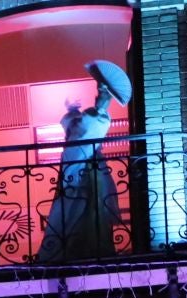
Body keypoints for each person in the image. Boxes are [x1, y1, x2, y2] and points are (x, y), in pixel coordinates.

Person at [37, 61, 129, 263]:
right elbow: (90, 127)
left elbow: (89, 127)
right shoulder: (75, 144)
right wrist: (102, 103)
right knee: (81, 224)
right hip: (85, 191)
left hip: (88, 190)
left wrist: (101, 103)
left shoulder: (74, 143)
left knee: (83, 223)